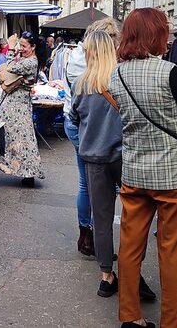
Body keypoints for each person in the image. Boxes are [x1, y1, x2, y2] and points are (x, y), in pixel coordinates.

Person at [108, 8, 177, 328]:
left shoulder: (115, 75)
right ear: (155, 35)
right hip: (174, 175)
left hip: (134, 171)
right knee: (172, 252)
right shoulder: (170, 72)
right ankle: (170, 323)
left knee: (130, 247)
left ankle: (130, 317)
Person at [70, 30, 146, 299]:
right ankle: (133, 273)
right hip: (126, 157)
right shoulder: (123, 81)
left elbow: (73, 119)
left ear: (90, 52)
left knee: (101, 220)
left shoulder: (81, 84)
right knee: (133, 218)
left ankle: (107, 276)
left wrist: (84, 144)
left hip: (94, 159)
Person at [65, 17, 121, 257]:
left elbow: (75, 110)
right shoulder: (111, 70)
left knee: (86, 184)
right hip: (100, 130)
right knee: (107, 188)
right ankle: (100, 239)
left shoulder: (77, 58)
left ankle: (86, 235)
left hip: (79, 124)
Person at [0, 31, 46, 188]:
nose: (21, 49)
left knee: (5, 137)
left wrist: (10, 48)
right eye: (20, 45)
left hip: (16, 108)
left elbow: (8, 68)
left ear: (33, 47)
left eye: (24, 46)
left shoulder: (30, 63)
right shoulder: (27, 60)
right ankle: (23, 176)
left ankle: (25, 175)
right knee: (12, 138)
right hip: (13, 106)